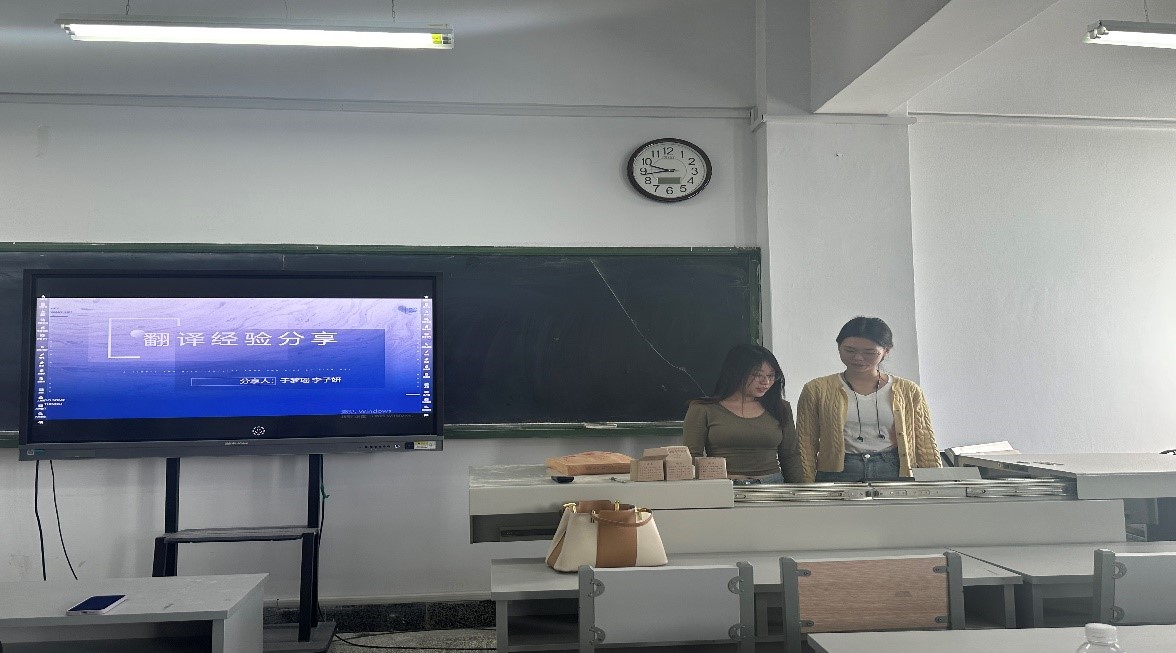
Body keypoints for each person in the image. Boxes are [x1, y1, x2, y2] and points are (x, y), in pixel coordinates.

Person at [796, 317, 941, 483]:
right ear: (839, 348)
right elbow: (805, 443)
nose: (858, 358)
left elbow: (924, 442)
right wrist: (806, 484)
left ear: (886, 351)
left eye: (869, 353)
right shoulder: (816, 389)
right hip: (838, 473)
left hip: (893, 469)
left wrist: (936, 484)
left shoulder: (908, 390)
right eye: (850, 350)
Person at [683, 344, 803, 484]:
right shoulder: (703, 408)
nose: (766, 382)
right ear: (737, 373)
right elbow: (691, 458)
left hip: (772, 486)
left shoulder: (781, 407)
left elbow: (790, 456)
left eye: (771, 376)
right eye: (757, 375)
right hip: (724, 486)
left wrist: (799, 491)